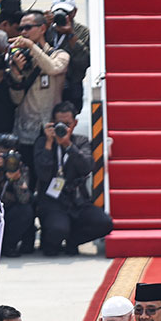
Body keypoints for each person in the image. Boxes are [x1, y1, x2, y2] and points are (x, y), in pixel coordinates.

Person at [33, 101, 113, 256]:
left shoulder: (80, 141)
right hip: (53, 201)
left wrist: (68, 145)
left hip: (77, 200)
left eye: (67, 124)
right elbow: (42, 174)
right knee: (58, 230)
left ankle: (72, 241)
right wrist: (49, 144)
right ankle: (51, 242)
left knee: (104, 223)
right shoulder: (43, 142)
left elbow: (87, 167)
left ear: (75, 123)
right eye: (59, 124)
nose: (63, 128)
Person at [9, 10, 70, 175]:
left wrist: (31, 46)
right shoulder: (21, 58)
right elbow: (16, 99)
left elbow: (53, 68)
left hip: (49, 129)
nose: (23, 33)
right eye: (21, 28)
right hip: (25, 129)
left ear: (43, 28)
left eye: (28, 27)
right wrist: (16, 74)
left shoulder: (60, 54)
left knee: (48, 175)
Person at [0, 132, 34, 257]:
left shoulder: (20, 167)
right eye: (4, 154)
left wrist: (16, 180)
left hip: (9, 213)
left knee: (26, 210)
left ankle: (8, 246)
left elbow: (24, 199)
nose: (7, 158)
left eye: (11, 153)